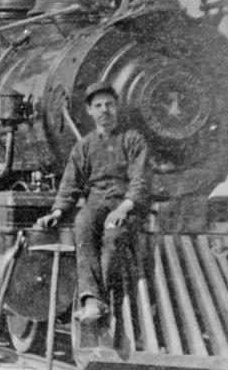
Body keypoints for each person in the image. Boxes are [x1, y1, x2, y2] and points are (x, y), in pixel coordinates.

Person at [35, 82, 150, 323]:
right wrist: (56, 213)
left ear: (117, 107)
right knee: (83, 224)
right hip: (96, 203)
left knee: (113, 237)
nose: (104, 110)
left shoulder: (133, 139)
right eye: (98, 105)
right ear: (90, 111)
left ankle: (104, 298)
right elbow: (70, 185)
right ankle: (92, 300)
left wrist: (123, 208)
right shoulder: (84, 146)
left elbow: (140, 180)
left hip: (125, 204)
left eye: (109, 104)